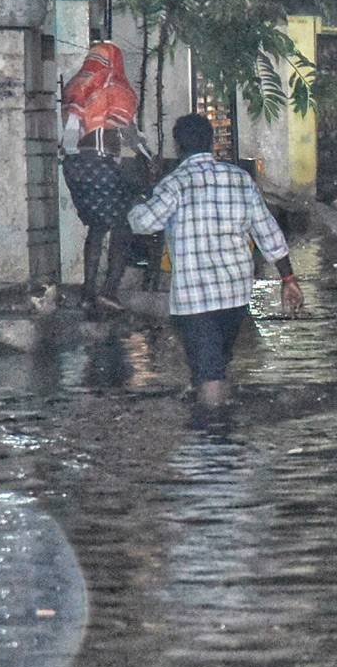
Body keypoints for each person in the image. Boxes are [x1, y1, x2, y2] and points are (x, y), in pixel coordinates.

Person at [128, 114, 305, 411]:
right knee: (217, 365)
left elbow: (143, 223)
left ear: (178, 145)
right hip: (235, 297)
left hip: (194, 300)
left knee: (208, 374)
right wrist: (288, 280)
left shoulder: (175, 184)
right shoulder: (239, 179)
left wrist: (136, 202)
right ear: (211, 142)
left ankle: (213, 439)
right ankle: (226, 431)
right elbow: (268, 233)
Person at [60, 42, 152, 313]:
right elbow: (130, 136)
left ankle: (88, 292)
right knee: (124, 226)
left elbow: (69, 136)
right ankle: (110, 290)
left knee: (98, 228)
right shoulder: (116, 88)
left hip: (76, 169)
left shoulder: (76, 87)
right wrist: (147, 155)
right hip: (102, 164)